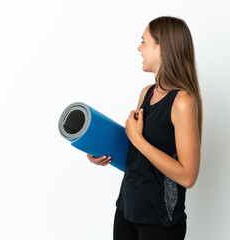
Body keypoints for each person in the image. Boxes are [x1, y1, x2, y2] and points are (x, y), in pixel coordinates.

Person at [87, 16, 202, 240]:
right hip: (126, 209)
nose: (139, 47)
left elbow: (188, 176)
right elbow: (138, 156)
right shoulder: (146, 93)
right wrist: (99, 150)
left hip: (159, 222)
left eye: (144, 41)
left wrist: (138, 139)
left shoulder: (182, 101)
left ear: (163, 48)